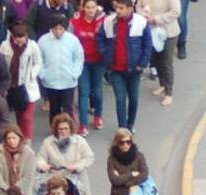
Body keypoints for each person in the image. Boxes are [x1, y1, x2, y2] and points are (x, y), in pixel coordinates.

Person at [96, 0, 152, 132]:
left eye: (121, 8)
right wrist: (105, 55)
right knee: (120, 100)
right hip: (116, 70)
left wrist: (142, 64)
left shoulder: (141, 22)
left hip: (134, 70)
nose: (118, 11)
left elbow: (147, 45)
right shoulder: (108, 21)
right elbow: (99, 38)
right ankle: (122, 128)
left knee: (133, 99)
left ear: (129, 8)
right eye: (117, 7)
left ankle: (130, 124)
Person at [0, 23, 43, 140]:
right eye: (17, 42)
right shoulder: (5, 46)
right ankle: (19, 138)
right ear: (13, 37)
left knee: (26, 117)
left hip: (27, 87)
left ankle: (27, 141)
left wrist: (32, 74)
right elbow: (1, 63)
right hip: (11, 86)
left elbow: (38, 63)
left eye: (22, 41)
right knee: (18, 116)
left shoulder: (32, 46)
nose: (20, 44)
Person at [34, 113, 94, 195]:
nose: (63, 131)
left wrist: (76, 166)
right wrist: (42, 164)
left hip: (77, 179)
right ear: (56, 129)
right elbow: (40, 158)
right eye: (60, 129)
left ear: (71, 129)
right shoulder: (48, 142)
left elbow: (89, 157)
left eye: (66, 128)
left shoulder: (80, 141)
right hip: (55, 179)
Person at [36, 15, 83, 121]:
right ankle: (55, 131)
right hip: (51, 82)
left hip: (68, 82)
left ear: (65, 28)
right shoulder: (43, 41)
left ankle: (69, 131)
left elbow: (79, 58)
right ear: (51, 28)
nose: (58, 31)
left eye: (60, 28)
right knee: (54, 109)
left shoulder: (73, 40)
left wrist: (74, 74)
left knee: (68, 108)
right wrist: (43, 75)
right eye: (55, 29)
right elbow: (39, 60)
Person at [70, 1, 105, 136]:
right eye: (88, 7)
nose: (91, 10)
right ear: (83, 8)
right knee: (83, 92)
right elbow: (70, 39)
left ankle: (97, 117)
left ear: (97, 8)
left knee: (97, 91)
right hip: (82, 62)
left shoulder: (103, 20)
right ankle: (83, 124)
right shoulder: (75, 21)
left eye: (93, 7)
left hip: (98, 61)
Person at [137, 0, 180, 107]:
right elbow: (138, 6)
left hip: (168, 32)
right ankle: (162, 84)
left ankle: (169, 93)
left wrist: (156, 19)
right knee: (156, 60)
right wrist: (144, 15)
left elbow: (175, 12)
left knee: (166, 62)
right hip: (151, 31)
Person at [0, 126, 37, 195]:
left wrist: (15, 191)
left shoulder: (29, 153)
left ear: (19, 138)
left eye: (14, 138)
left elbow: (28, 176)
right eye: (9, 138)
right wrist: (7, 191)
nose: (11, 141)